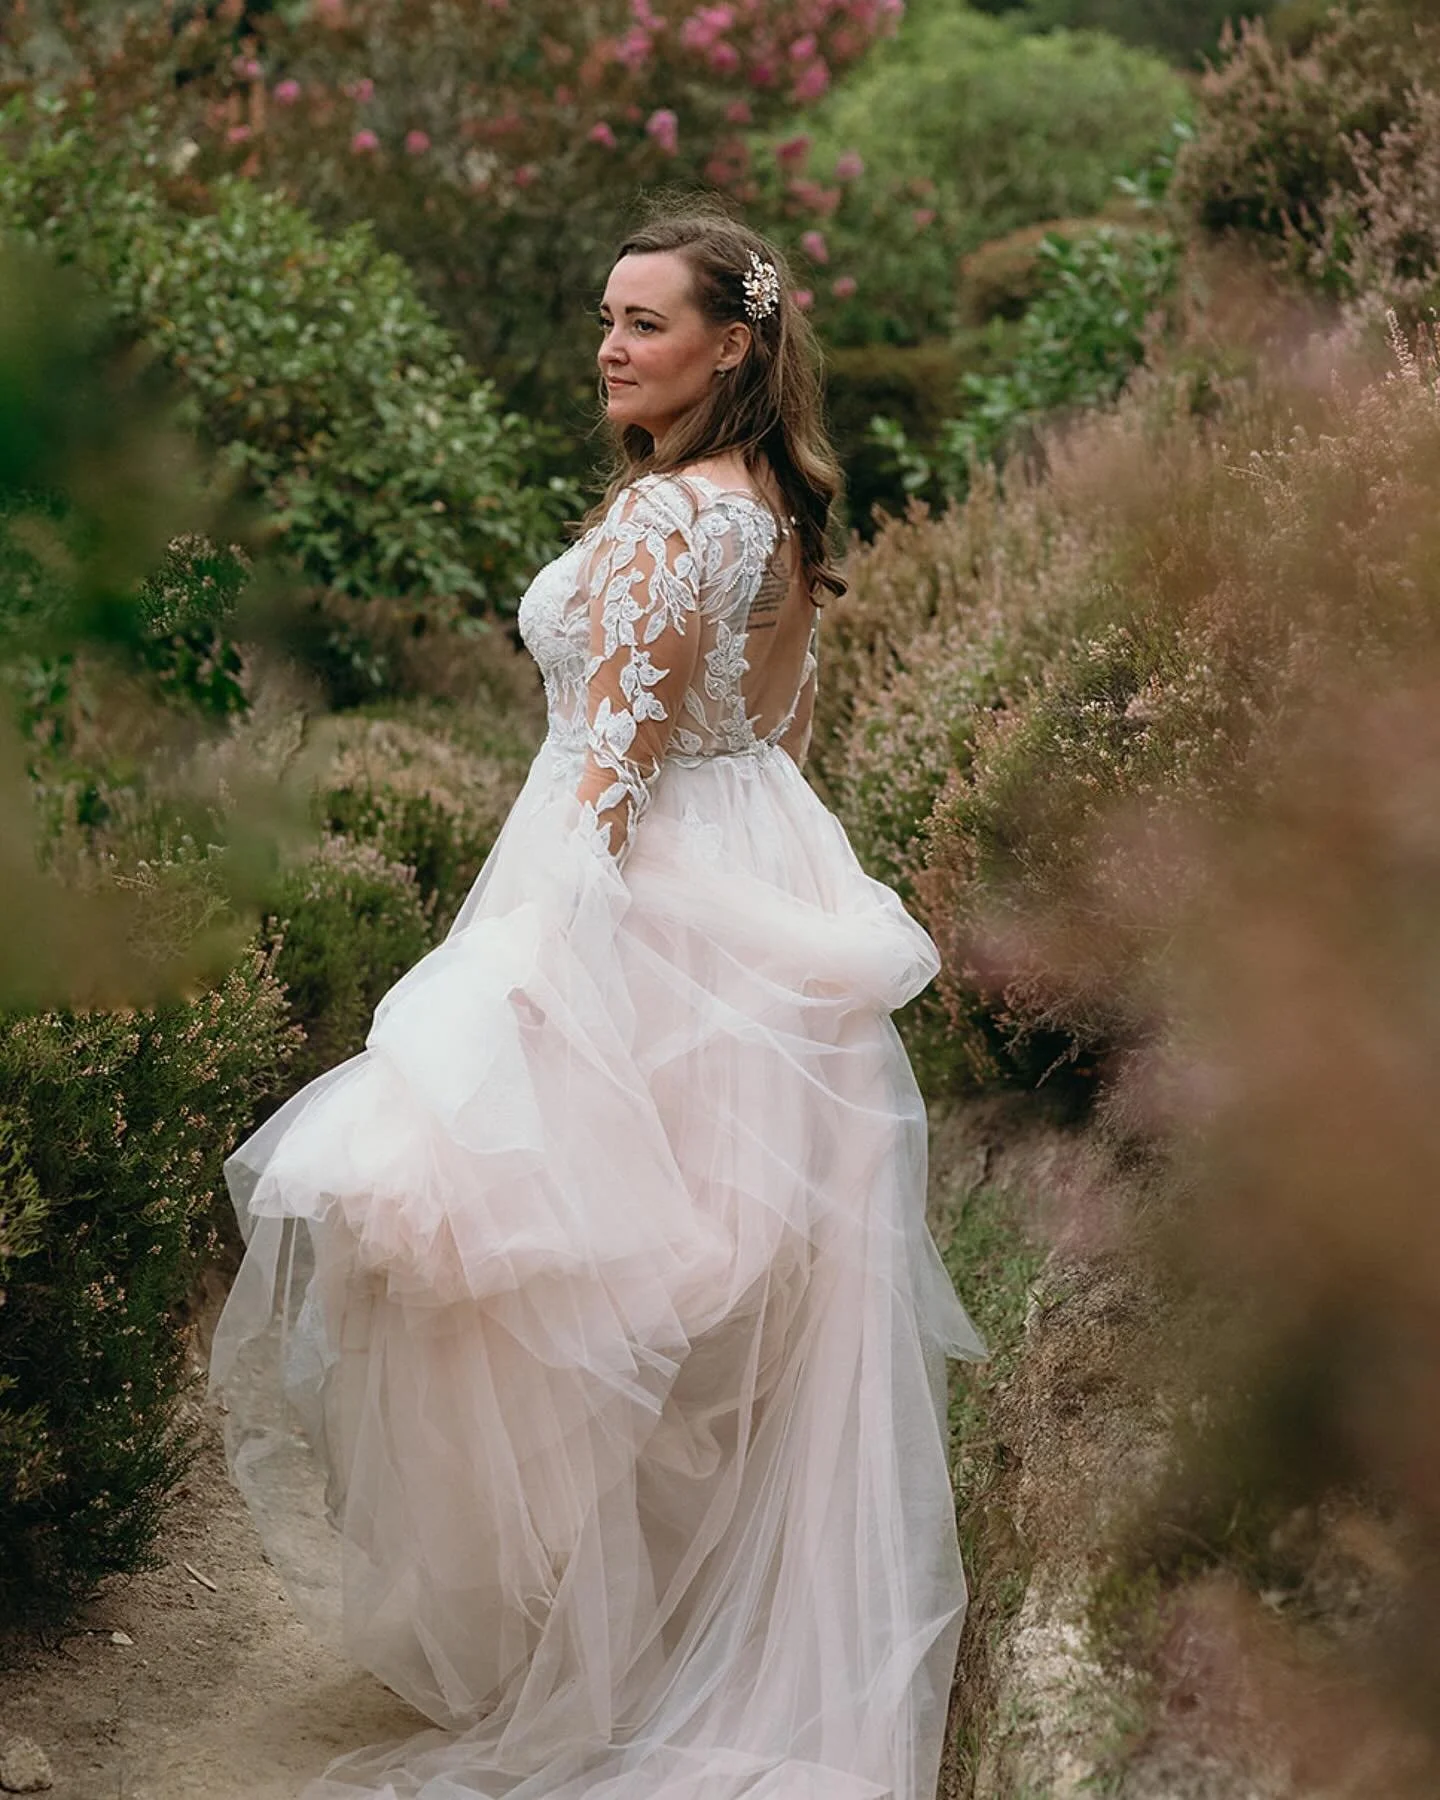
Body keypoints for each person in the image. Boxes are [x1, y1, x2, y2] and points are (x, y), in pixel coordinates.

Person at [210, 208, 986, 1800]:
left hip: (630, 891)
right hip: (757, 872)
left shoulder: (658, 524)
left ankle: (586, 1658)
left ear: (734, 345)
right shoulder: (767, 509)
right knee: (694, 1301)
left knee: (543, 1279)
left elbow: (612, 773)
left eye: (645, 322)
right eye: (607, 318)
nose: (611, 347)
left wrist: (531, 969)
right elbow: (765, 734)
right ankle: (671, 1640)